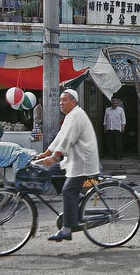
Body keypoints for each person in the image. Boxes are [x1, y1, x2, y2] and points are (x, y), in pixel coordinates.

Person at [36, 89, 100, 242]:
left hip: (82, 162)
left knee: (67, 191)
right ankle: (76, 200)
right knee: (51, 173)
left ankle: (67, 229)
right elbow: (60, 136)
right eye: (60, 100)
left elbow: (68, 140)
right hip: (73, 160)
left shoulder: (76, 115)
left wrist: (55, 156)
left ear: (74, 101)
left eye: (64, 100)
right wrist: (47, 152)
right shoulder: (70, 116)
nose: (61, 103)